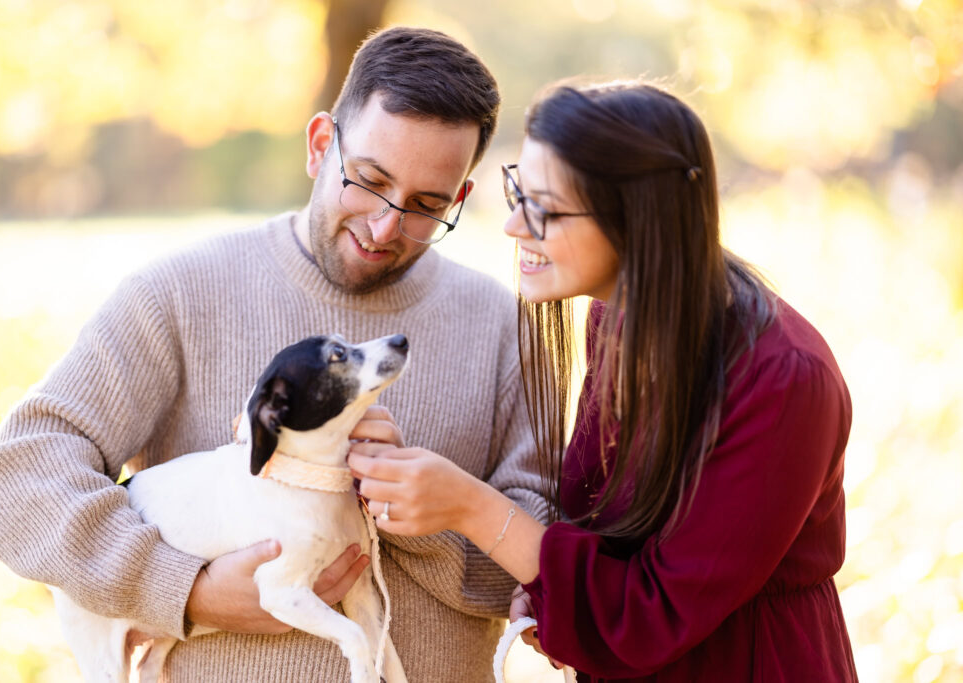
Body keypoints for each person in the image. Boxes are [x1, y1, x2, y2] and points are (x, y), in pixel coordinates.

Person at [0, 27, 544, 682]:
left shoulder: (502, 325)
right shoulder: (180, 293)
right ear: (321, 145)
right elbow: (13, 478)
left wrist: (426, 509)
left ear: (460, 198)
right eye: (370, 180)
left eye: (426, 205)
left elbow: (554, 562)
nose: (386, 226)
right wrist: (189, 589)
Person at [348, 79, 859, 681]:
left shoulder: (783, 380)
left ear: (638, 220)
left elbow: (654, 611)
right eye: (519, 192)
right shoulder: (620, 317)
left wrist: (471, 507)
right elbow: (602, 528)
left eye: (545, 208)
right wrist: (545, 591)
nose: (514, 226)